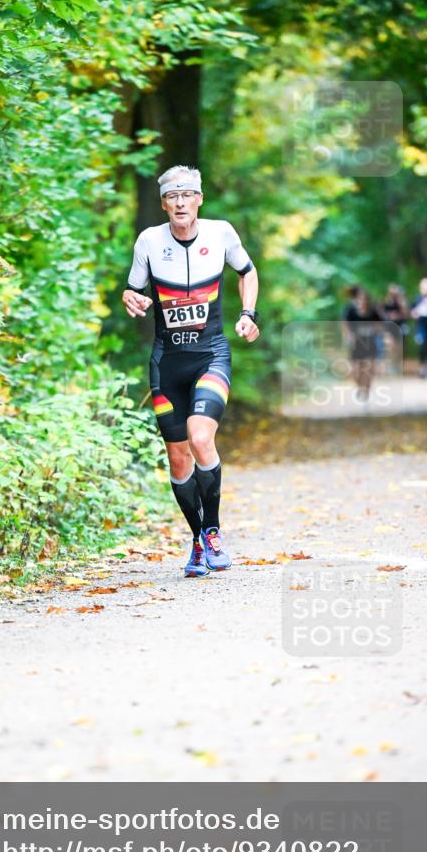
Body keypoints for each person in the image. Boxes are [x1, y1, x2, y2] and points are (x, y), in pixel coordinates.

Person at [122, 165, 259, 578]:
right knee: (178, 458)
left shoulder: (221, 234)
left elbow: (247, 272)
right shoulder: (149, 241)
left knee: (201, 437)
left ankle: (213, 530)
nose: (180, 202)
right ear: (164, 203)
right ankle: (198, 539)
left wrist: (248, 313)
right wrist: (133, 299)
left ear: (199, 199)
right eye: (172, 196)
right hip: (168, 363)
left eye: (187, 195)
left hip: (210, 354)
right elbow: (134, 289)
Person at [342, 285, 384, 403]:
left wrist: (374, 331)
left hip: (370, 342)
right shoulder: (350, 310)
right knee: (356, 369)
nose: (362, 301)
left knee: (369, 368)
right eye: (360, 298)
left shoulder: (373, 310)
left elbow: (380, 324)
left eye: (364, 299)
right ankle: (359, 387)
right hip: (356, 343)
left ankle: (366, 390)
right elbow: (345, 325)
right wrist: (349, 336)